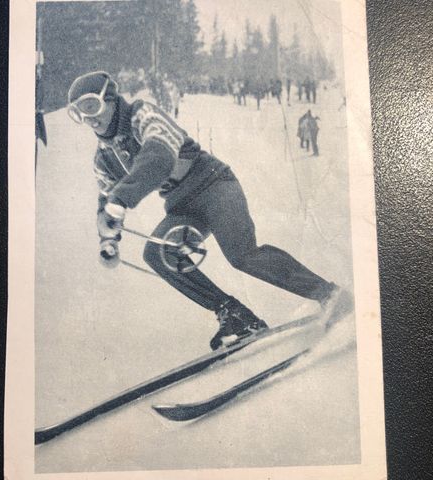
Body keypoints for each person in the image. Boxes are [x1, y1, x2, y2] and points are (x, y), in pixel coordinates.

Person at [66, 71, 351, 350]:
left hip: (214, 184)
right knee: (158, 253)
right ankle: (234, 314)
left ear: (112, 99)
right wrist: (108, 239)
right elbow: (105, 202)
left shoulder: (142, 115)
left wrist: (122, 198)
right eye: (79, 114)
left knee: (242, 256)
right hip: (182, 205)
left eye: (91, 106)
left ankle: (330, 295)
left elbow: (159, 156)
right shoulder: (104, 156)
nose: (89, 118)